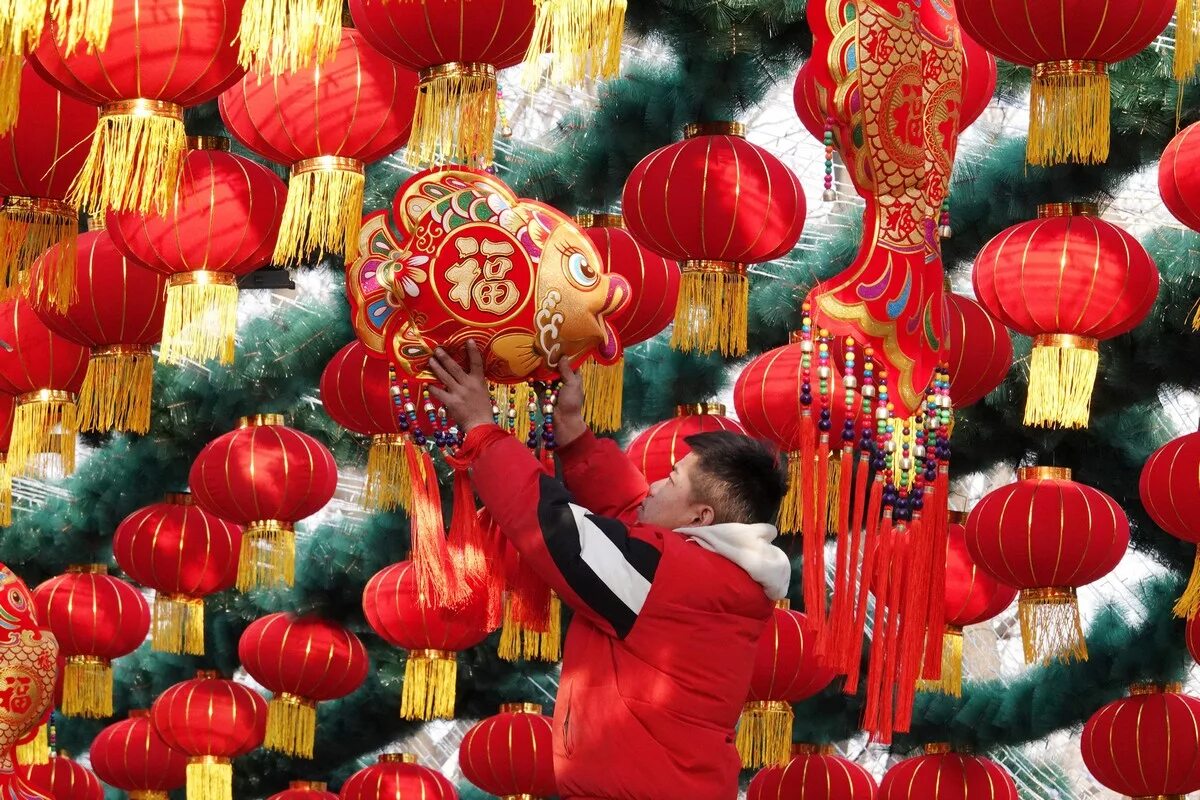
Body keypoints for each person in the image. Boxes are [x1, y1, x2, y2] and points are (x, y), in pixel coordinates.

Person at [430, 342, 791, 800]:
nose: (656, 485)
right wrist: (574, 434)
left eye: (672, 479)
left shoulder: (672, 576)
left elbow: (554, 529)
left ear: (700, 518)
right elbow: (629, 515)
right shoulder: (712, 574)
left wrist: (482, 429)